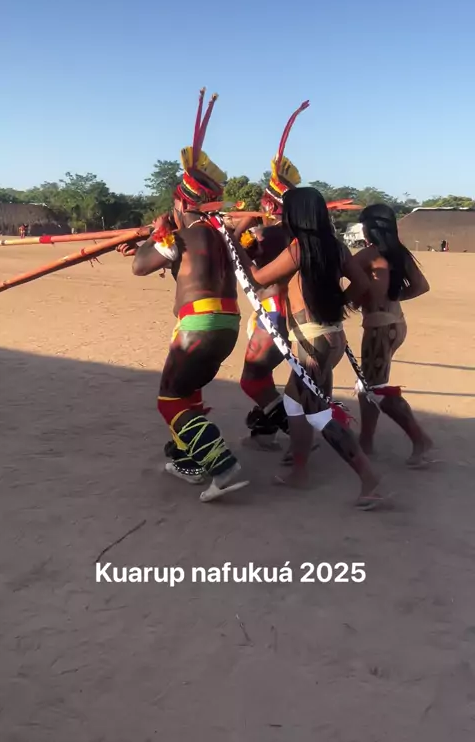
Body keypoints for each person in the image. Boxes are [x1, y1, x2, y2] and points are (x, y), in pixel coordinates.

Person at [119, 89, 248, 502]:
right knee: (189, 392)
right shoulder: (220, 234)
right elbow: (179, 263)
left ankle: (222, 466)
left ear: (179, 202)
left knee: (170, 401)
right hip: (228, 324)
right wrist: (150, 241)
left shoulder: (180, 234)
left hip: (198, 325)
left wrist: (155, 235)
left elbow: (141, 267)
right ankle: (187, 461)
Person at [234, 187, 385, 509]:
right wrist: (338, 304)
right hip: (331, 336)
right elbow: (361, 284)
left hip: (312, 343)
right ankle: (299, 471)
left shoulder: (298, 249)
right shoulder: (336, 247)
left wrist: (237, 247)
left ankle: (369, 480)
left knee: (317, 413)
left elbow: (259, 278)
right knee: (294, 404)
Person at [229, 101, 309, 453]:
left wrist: (243, 224)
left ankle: (296, 432)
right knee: (263, 376)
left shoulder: (265, 234)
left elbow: (234, 249)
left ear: (267, 204)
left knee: (251, 380)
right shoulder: (291, 234)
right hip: (286, 312)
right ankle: (265, 433)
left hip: (273, 312)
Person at [352, 204, 432, 466]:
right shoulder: (399, 253)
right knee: (368, 385)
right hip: (395, 323)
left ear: (371, 229)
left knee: (375, 388)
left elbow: (343, 276)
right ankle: (366, 440)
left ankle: (420, 439)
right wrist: (393, 297)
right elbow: (420, 286)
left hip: (379, 328)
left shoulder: (369, 254)